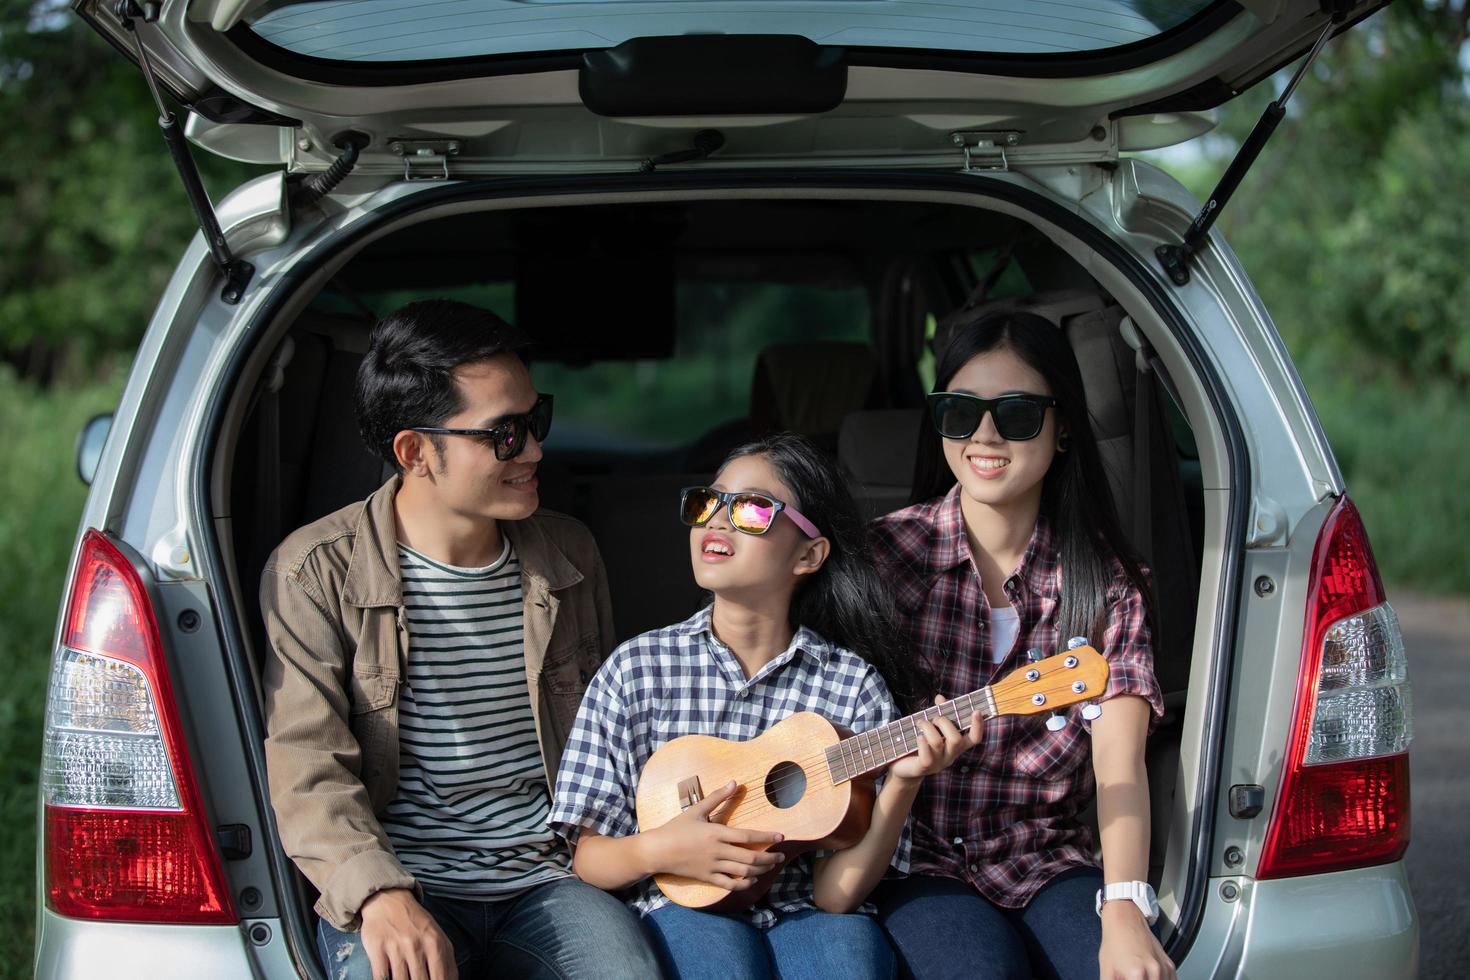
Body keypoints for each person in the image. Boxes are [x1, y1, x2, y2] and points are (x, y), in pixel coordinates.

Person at [258, 300, 660, 980]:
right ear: (415, 452)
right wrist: (379, 893)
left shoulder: (570, 552)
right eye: (504, 434)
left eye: (536, 421)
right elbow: (305, 766)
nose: (534, 449)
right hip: (401, 882)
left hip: (550, 881)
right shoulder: (313, 570)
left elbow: (608, 737)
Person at [548, 433, 978, 980]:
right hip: (683, 906)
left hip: (809, 911)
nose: (719, 521)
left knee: (849, 962)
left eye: (752, 508)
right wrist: (663, 850)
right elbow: (588, 858)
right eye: (709, 501)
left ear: (809, 554)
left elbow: (835, 896)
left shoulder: (852, 684)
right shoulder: (637, 670)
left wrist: (906, 780)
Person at [868, 311, 1174, 980]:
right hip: (914, 860)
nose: (984, 434)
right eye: (960, 411)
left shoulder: (1108, 585)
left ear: (1062, 426)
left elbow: (1118, 765)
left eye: (1015, 414)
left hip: (1043, 857)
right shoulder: (883, 558)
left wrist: (1123, 910)